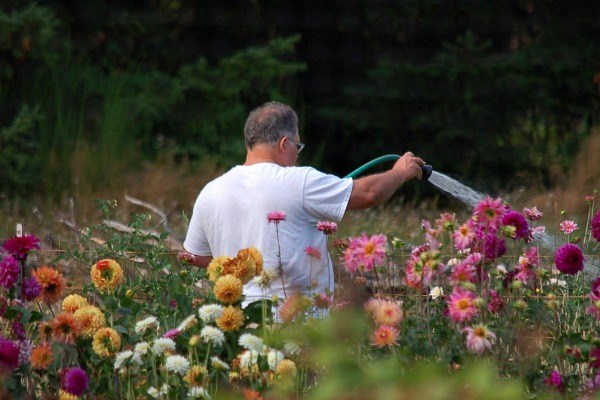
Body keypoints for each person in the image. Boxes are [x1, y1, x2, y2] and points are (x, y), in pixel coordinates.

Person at [183, 101, 425, 308]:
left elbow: (195, 256)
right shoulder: (299, 181)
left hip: (237, 327)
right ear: (284, 144)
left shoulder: (210, 191)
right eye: (297, 146)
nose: (297, 155)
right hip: (296, 327)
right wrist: (400, 172)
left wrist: (239, 264)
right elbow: (371, 193)